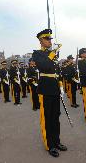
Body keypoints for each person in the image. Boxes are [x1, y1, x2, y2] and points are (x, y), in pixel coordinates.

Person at [32, 29, 67, 158]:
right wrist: (52, 54)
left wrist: (61, 85)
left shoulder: (52, 54)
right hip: (45, 89)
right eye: (47, 39)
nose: (50, 41)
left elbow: (57, 71)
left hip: (54, 88)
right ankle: (50, 145)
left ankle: (56, 142)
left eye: (50, 39)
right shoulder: (37, 54)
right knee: (47, 117)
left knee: (55, 117)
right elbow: (44, 66)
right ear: (41, 41)